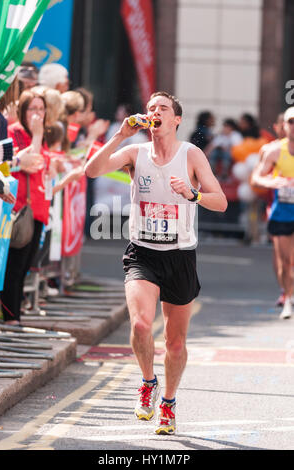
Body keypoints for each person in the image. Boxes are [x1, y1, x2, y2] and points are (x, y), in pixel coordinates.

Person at [85, 91, 227, 435]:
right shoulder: (136, 152)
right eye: (150, 108)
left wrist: (192, 194)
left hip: (180, 256)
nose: (155, 112)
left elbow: (220, 202)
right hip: (142, 252)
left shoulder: (191, 155)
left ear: (176, 120)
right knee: (140, 326)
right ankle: (148, 382)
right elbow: (92, 171)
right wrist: (120, 135)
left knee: (176, 343)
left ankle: (169, 402)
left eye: (163, 108)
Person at [0, 90, 52, 324]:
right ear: (23, 111)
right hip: (17, 208)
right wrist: (38, 137)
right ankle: (12, 318)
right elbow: (31, 164)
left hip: (38, 209)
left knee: (25, 268)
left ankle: (14, 315)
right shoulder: (14, 133)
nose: (37, 114)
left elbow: (41, 165)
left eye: (41, 109)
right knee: (14, 266)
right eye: (33, 109)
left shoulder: (42, 135)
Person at [252, 107, 294, 319]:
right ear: (283, 126)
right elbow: (256, 178)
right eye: (291, 122)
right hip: (282, 211)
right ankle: (287, 298)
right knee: (285, 261)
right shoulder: (274, 151)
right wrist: (274, 182)